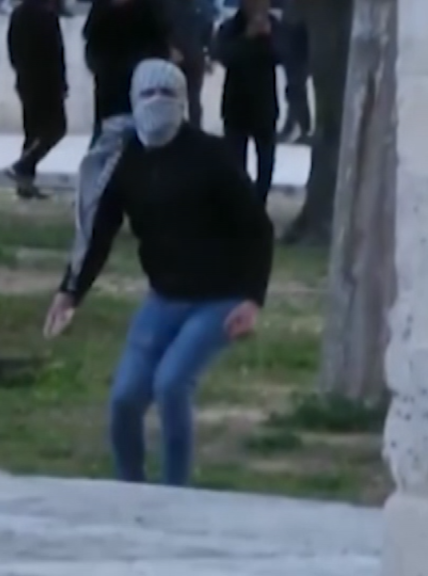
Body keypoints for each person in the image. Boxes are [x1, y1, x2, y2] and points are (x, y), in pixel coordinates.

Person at [43, 59, 275, 487]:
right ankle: (130, 486)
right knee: (125, 398)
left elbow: (258, 229)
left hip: (219, 297)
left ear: (183, 101)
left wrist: (252, 299)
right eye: (147, 94)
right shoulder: (128, 158)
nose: (157, 103)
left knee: (171, 384)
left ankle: (175, 490)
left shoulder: (210, 155)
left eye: (167, 94)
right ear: (134, 101)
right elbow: (101, 231)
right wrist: (71, 291)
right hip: (165, 296)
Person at [214, 0, 280, 202]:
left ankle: (260, 204)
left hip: (265, 106)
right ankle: (239, 206)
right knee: (235, 166)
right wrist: (247, 38)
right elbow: (223, 55)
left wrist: (269, 37)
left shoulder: (276, 27)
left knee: (266, 164)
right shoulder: (230, 28)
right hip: (236, 106)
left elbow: (285, 55)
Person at [82, 0, 172, 145]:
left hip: (140, 81)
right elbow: (91, 37)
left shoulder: (148, 8)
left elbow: (161, 38)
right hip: (110, 81)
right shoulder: (103, 7)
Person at [5, 0, 69, 199]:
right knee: (56, 128)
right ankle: (23, 166)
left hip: (26, 79)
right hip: (47, 82)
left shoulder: (18, 14)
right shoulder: (47, 16)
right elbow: (55, 54)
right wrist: (61, 82)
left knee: (32, 132)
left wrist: (21, 71)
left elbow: (12, 49)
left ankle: (25, 184)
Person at [156, 0, 217, 129]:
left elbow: (208, 30)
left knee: (194, 99)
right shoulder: (167, 5)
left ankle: (196, 131)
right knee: (172, 99)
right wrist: (169, 48)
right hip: (173, 59)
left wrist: (209, 54)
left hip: (195, 58)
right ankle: (172, 130)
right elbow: (160, 28)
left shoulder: (201, 5)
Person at [275, 0, 311, 143]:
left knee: (296, 86)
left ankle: (299, 125)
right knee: (295, 86)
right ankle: (298, 124)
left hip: (297, 35)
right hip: (292, 35)